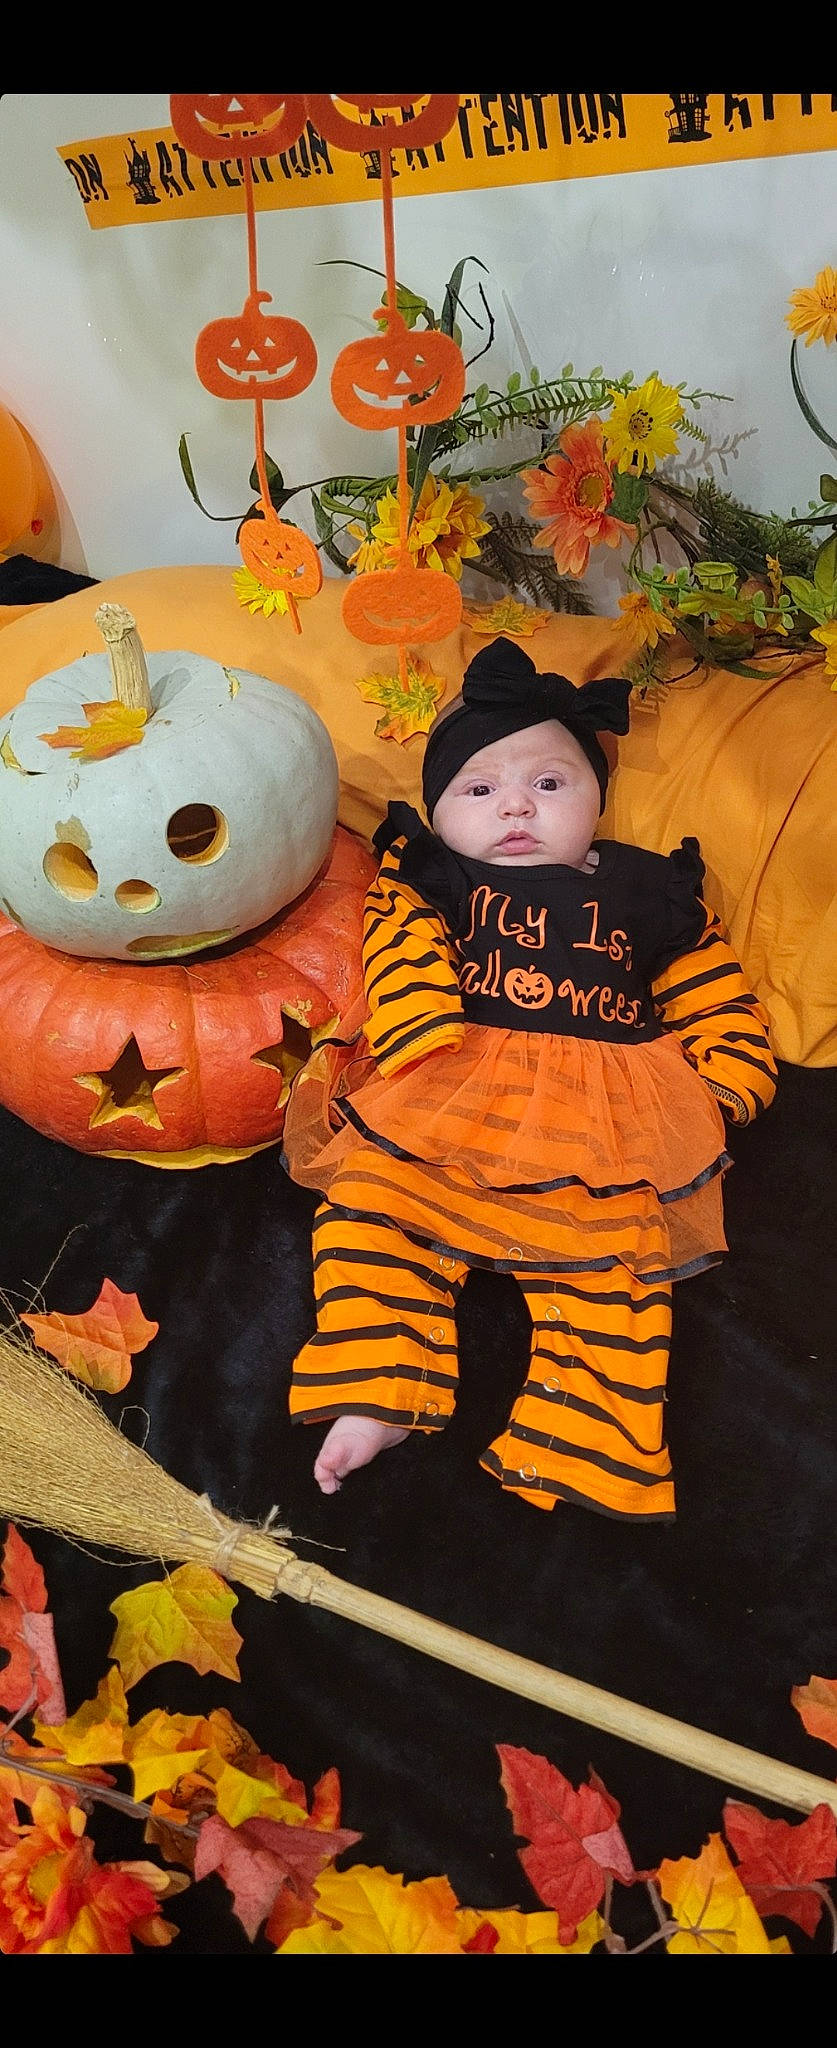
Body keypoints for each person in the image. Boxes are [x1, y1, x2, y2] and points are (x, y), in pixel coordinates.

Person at [281, 637, 778, 1520]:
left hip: (604, 1111)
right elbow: (399, 944)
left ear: (597, 799)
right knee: (372, 1214)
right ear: (439, 813)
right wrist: (416, 1020)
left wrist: (730, 1073)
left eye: (550, 784)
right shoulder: (433, 876)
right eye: (479, 790)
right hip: (451, 1080)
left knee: (614, 1270)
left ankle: (582, 1442)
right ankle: (374, 1385)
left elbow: (708, 985)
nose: (515, 806)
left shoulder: (645, 889)